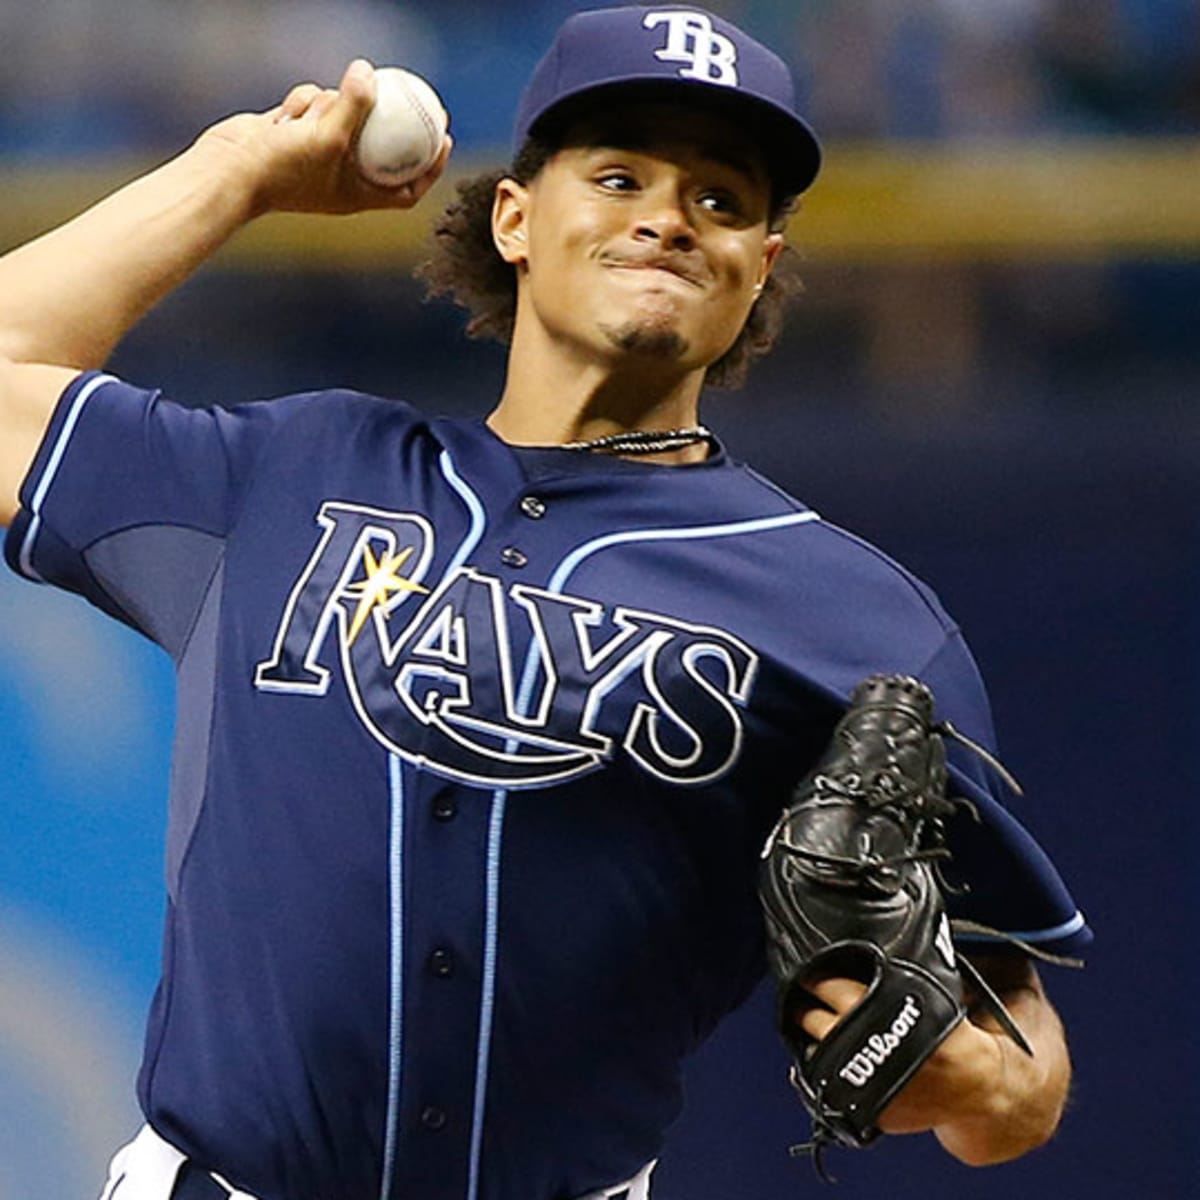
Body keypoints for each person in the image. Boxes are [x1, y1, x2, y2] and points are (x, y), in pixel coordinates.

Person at [0, 7, 1090, 1200]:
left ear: (759, 270)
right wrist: (240, 170)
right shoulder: (288, 472)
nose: (670, 216)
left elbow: (1021, 1066)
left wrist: (984, 1086)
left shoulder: (864, 626)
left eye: (723, 200)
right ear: (514, 218)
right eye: (619, 176)